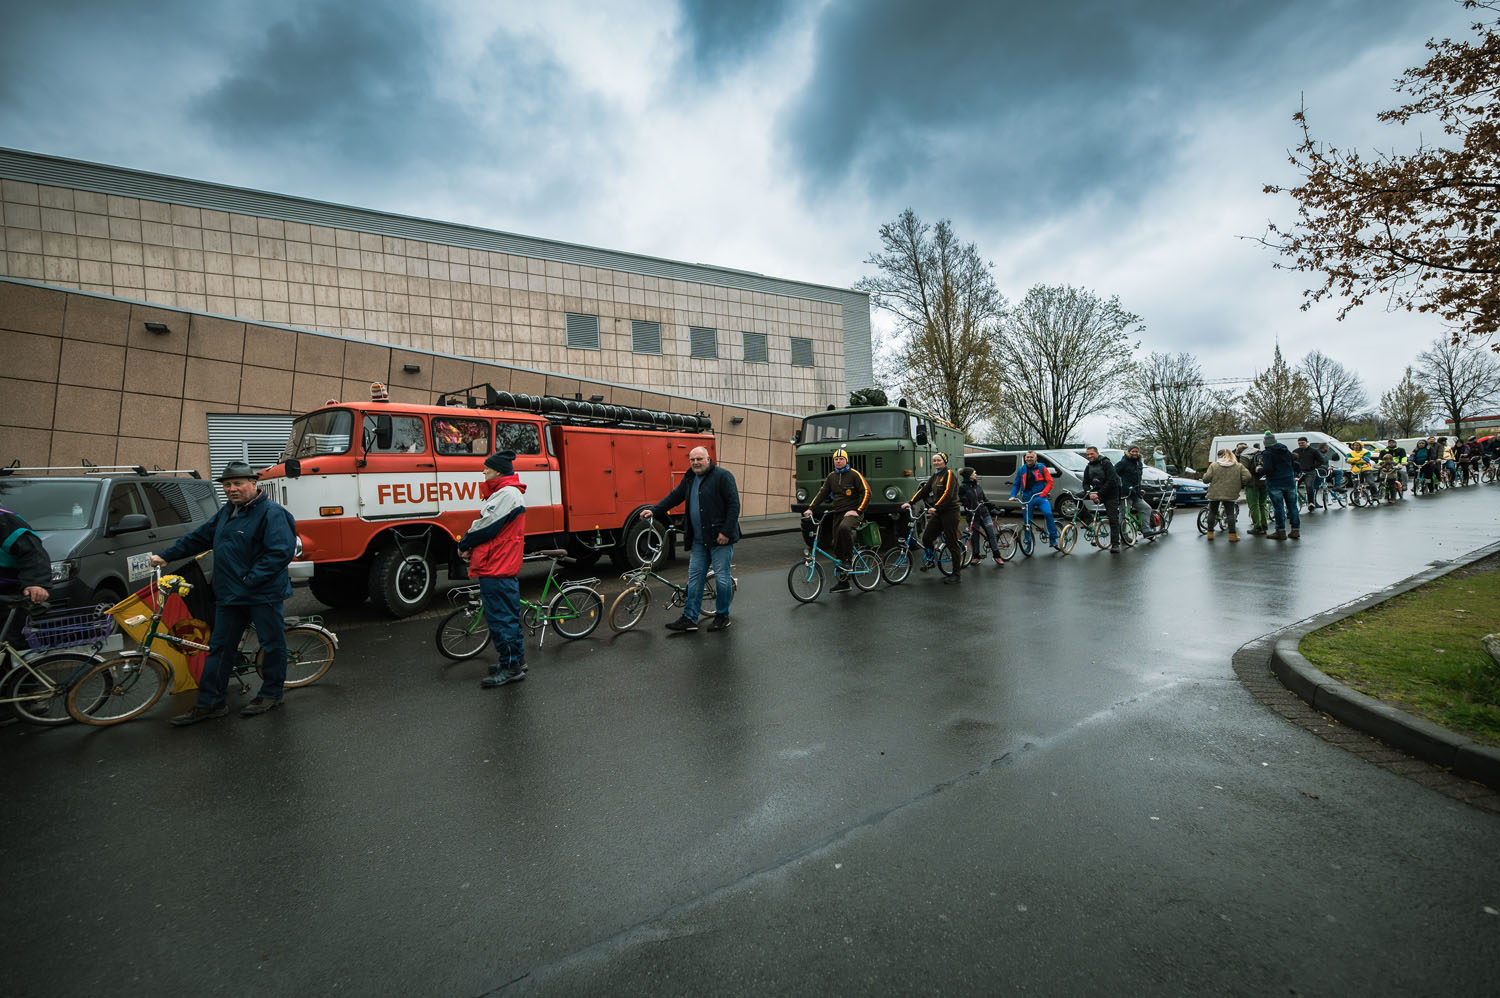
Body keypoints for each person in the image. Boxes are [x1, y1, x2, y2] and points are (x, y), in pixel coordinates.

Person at [151, 461, 297, 725]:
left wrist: (249, 580)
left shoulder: (272, 513)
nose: (232, 489)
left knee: (272, 644)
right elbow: (198, 537)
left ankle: (271, 694)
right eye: (227, 484)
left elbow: (279, 553)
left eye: (238, 483)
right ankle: (211, 703)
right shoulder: (228, 513)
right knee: (219, 649)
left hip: (262, 594)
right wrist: (165, 556)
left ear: (253, 483)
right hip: (229, 595)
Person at [644, 446, 739, 631]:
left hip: (721, 539)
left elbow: (734, 505)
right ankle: (690, 618)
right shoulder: (690, 478)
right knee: (694, 579)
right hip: (698, 540)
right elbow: (675, 497)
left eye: (699, 459)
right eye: (692, 460)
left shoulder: (723, 476)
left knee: (722, 578)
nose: (695, 462)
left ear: (708, 459)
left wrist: (726, 532)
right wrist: (655, 510)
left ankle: (722, 615)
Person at [457, 450, 528, 687]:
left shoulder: (506, 494)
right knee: (508, 616)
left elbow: (486, 526)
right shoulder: (507, 493)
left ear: (497, 470)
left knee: (501, 619)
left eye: (487, 467)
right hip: (499, 563)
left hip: (496, 565)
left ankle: (511, 667)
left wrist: (465, 543)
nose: (483, 471)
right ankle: (515, 659)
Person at [804, 447, 870, 593]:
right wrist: (811, 508)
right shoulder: (832, 476)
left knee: (844, 529)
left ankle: (848, 561)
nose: (838, 461)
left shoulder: (854, 474)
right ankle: (843, 583)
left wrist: (858, 511)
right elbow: (822, 493)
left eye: (841, 459)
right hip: (838, 513)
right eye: (836, 459)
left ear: (846, 460)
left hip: (853, 513)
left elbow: (866, 492)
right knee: (837, 545)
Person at [902, 452, 963, 584]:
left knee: (952, 543)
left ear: (944, 461)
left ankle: (956, 574)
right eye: (934, 461)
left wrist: (937, 507)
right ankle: (931, 559)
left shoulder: (949, 474)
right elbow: (924, 490)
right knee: (927, 537)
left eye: (939, 460)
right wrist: (910, 502)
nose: (936, 463)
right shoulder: (935, 476)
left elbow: (948, 493)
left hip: (950, 512)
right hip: (939, 512)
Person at [0, 505, 51, 645]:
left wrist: (36, 583)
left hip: (8, 597)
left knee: (8, 645)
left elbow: (32, 552)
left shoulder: (5, 520)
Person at [1008, 451, 1059, 550]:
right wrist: (1013, 495)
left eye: (1031, 457)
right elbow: (1016, 484)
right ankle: (1028, 543)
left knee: (1048, 513)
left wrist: (1044, 493)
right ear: (1025, 458)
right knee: (1027, 521)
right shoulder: (1021, 470)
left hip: (1040, 496)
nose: (1029, 459)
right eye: (1027, 457)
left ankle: (1053, 538)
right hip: (1027, 497)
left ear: (1035, 459)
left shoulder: (1041, 468)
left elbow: (1050, 482)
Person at [1200, 448, 1251, 541]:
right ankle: (1232, 535)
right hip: (1230, 492)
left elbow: (1206, 479)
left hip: (1215, 492)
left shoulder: (1214, 465)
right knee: (1230, 513)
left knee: (1212, 512)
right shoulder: (1238, 466)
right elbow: (1247, 476)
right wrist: (1240, 483)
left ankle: (1210, 534)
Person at [958, 467, 1004, 567]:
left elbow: (984, 499)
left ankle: (997, 555)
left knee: (991, 534)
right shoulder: (962, 487)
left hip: (984, 513)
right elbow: (962, 499)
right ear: (969, 475)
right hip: (972, 515)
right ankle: (976, 557)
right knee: (974, 537)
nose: (976, 474)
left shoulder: (977, 486)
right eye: (974, 473)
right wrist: (966, 505)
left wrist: (993, 508)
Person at [1082, 446, 1123, 553]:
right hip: (1096, 491)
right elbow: (1085, 482)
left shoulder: (1106, 463)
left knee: (1113, 518)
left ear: (1097, 453)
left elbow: (1111, 480)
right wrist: (1089, 493)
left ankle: (1115, 544)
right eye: (1088, 454)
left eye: (1092, 454)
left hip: (1111, 492)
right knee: (1075, 498)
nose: (1089, 456)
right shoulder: (1088, 466)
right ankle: (1088, 520)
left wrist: (1098, 494)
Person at [1260, 432, 1300, 540]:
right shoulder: (1286, 451)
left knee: (1279, 508)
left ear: (1265, 443)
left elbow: (1268, 469)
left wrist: (1259, 470)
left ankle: (1280, 531)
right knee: (1292, 507)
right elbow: (1293, 465)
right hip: (1289, 481)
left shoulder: (1267, 453)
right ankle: (1295, 530)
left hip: (1275, 483)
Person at [1115, 445, 1159, 537]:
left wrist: (1140, 489)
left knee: (1146, 509)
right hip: (1125, 494)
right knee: (1124, 515)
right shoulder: (1123, 463)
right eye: (1133, 451)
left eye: (1136, 451)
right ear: (1128, 452)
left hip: (1135, 493)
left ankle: (1146, 530)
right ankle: (1124, 536)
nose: (1135, 453)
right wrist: (1121, 486)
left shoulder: (1139, 463)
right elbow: (1113, 474)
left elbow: (1138, 479)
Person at [1238, 443, 1270, 535]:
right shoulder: (1260, 452)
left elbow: (1244, 472)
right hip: (1264, 481)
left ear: (1239, 452)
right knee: (1262, 504)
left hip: (1253, 483)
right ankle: (1264, 525)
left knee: (1254, 505)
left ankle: (1257, 526)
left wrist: (1243, 483)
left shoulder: (1244, 456)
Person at [1292, 437, 1327, 510]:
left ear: (1306, 442)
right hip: (1299, 471)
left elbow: (1321, 460)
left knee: (1309, 486)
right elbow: (1292, 461)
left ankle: (1311, 503)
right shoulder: (1295, 451)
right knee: (1294, 487)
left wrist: (1312, 466)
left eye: (1302, 443)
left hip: (1310, 472)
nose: (1301, 444)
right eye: (1299, 443)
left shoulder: (1313, 451)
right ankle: (1293, 503)